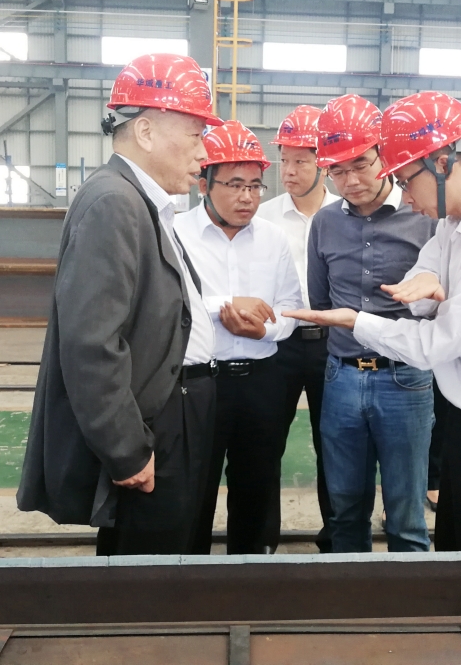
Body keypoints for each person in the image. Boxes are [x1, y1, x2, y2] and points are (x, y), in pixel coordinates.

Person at [287, 91, 461, 552]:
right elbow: (424, 274)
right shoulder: (456, 221)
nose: (407, 197)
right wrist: (428, 285)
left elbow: (438, 344)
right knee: (456, 549)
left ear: (442, 163)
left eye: (405, 180)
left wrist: (357, 321)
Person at [17, 53, 222, 555]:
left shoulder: (141, 201)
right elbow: (91, 344)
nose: (203, 153)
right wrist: (127, 449)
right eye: (195, 135)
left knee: (177, 554)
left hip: (177, 408)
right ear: (146, 132)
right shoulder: (114, 203)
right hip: (153, 423)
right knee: (150, 567)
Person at [306, 94, 437, 554]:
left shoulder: (424, 218)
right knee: (344, 509)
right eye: (337, 171)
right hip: (340, 378)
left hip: (405, 381)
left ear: (385, 155)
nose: (351, 181)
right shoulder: (324, 223)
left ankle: (408, 596)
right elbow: (321, 300)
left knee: (406, 513)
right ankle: (350, 591)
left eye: (361, 164)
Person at [177, 120, 304, 555]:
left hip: (262, 380)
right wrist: (228, 305)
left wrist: (265, 328)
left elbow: (289, 306)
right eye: (234, 184)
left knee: (258, 483)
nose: (247, 197)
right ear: (203, 184)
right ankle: (188, 570)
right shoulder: (176, 234)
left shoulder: (273, 239)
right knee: (195, 483)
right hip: (200, 383)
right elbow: (171, 303)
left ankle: (252, 572)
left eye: (254, 185)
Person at [257, 104, 340, 553]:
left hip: (332, 345)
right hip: (279, 345)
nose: (287, 171)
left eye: (300, 161)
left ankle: (336, 538)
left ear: (323, 163)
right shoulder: (264, 216)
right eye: (283, 160)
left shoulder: (345, 215)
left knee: (335, 446)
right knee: (266, 443)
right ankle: (262, 540)